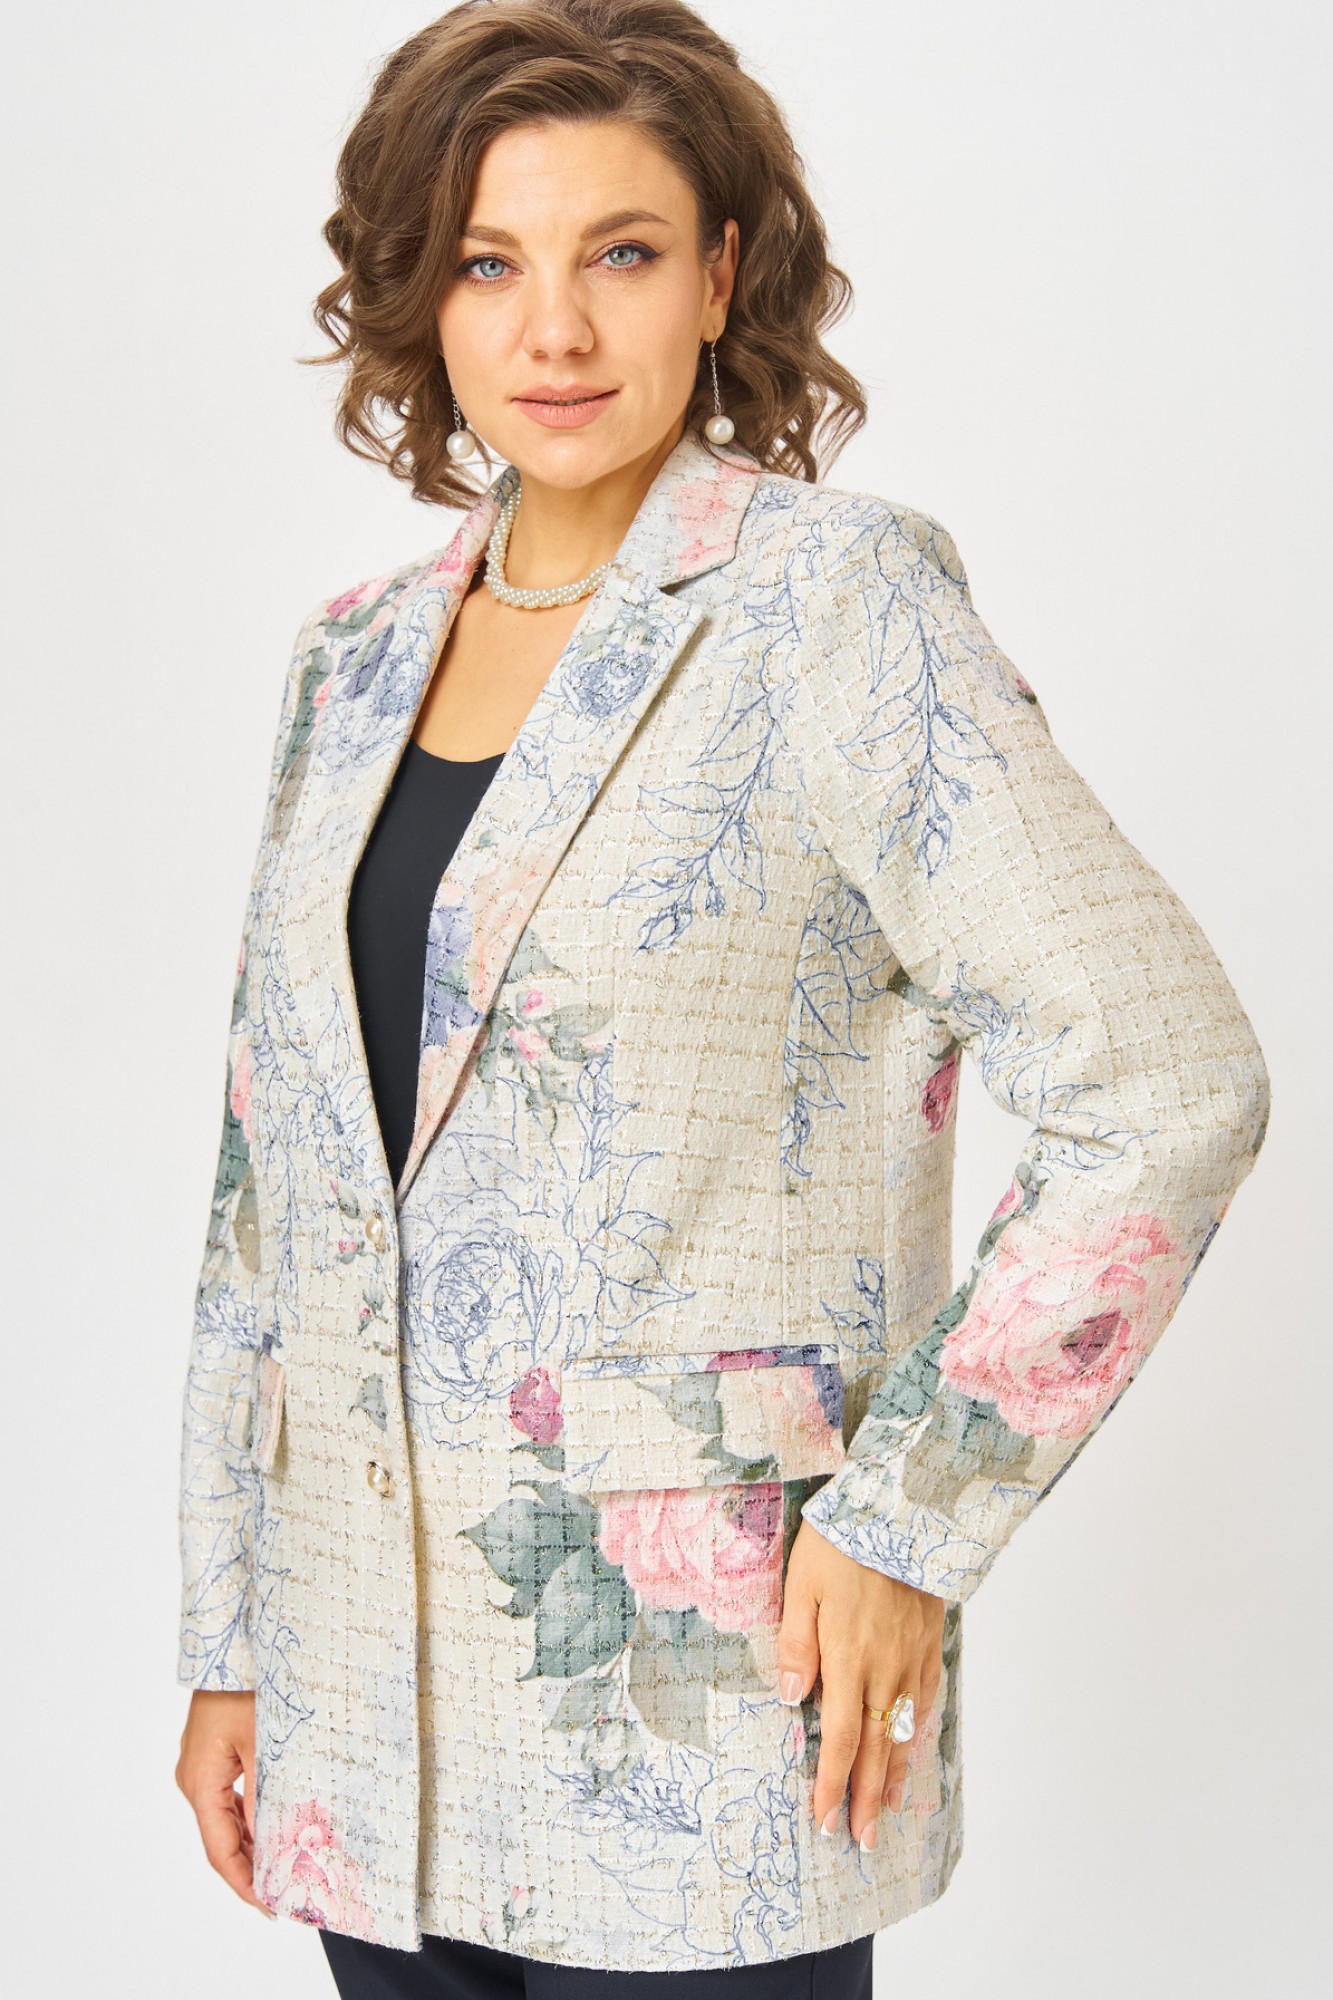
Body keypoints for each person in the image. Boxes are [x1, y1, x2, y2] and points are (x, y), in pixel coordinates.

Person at [173, 2, 1271, 1994]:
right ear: (423, 297)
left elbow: (1165, 1076)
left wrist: (910, 1518)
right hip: (361, 1716)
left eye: (621, 251)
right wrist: (231, 1634)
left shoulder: (832, 604)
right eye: (488, 264)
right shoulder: (347, 663)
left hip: (696, 1712)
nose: (554, 330)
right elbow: (274, 1190)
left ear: (719, 273)